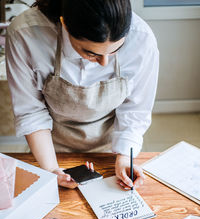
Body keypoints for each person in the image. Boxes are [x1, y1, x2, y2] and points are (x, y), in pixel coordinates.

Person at [6, 0, 159, 189]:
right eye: (90, 53)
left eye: (115, 50)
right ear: (64, 24)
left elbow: (135, 110)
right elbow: (30, 112)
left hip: (111, 150)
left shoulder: (142, 39)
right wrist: (52, 170)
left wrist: (125, 157)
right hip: (50, 149)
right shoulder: (25, 34)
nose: (104, 63)